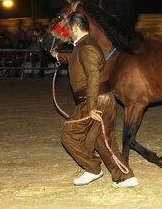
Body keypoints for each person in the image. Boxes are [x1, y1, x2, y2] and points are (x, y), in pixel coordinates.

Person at [50, 12, 138, 188]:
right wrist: (58, 56)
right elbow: (74, 58)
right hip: (97, 99)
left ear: (75, 27)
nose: (67, 32)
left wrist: (91, 107)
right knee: (102, 140)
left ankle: (93, 169)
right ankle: (125, 177)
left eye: (68, 29)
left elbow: (92, 77)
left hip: (96, 100)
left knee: (69, 134)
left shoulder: (87, 47)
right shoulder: (83, 45)